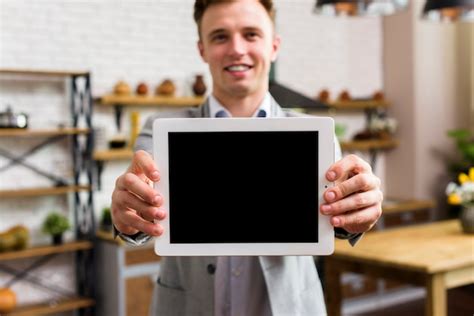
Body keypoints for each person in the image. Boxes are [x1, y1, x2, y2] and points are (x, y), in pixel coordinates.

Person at [111, 0, 383, 315]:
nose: (237, 49)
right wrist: (129, 217)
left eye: (251, 34)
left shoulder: (312, 133)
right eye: (220, 36)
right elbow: (142, 210)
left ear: (274, 46)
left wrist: (357, 211)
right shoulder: (162, 131)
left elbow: (333, 218)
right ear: (202, 50)